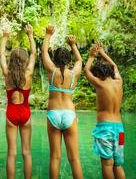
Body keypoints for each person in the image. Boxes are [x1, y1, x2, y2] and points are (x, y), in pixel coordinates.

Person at [41, 25, 83, 179]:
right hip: (69, 115)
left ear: (55, 59)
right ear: (68, 60)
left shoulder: (52, 71)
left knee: (55, 157)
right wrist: (73, 45)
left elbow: (44, 52)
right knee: (74, 159)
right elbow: (79, 60)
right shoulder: (73, 74)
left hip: (53, 115)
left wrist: (48, 34)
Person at [83, 43, 126, 179]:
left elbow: (86, 71)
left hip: (105, 129)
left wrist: (91, 56)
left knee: (107, 165)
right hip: (120, 129)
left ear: (98, 75)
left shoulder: (100, 84)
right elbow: (115, 67)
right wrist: (102, 53)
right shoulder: (119, 81)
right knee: (117, 165)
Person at [0, 24, 36, 179]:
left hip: (11, 113)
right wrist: (30, 35)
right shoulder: (28, 73)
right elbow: (34, 52)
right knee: (26, 152)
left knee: (11, 153)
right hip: (25, 112)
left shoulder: (7, 74)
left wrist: (5, 37)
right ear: (25, 61)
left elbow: (1, 55)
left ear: (12, 60)